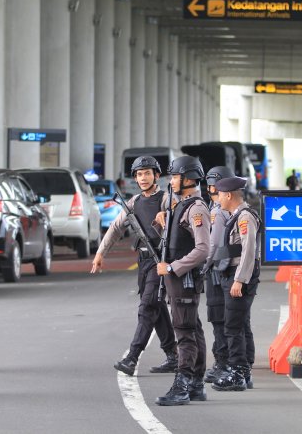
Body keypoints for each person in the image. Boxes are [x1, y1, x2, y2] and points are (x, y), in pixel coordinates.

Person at [91, 156, 178, 376]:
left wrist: (166, 217)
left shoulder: (167, 199)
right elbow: (116, 227)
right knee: (156, 308)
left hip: (162, 260)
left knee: (147, 307)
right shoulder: (133, 202)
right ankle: (173, 356)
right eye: (139, 174)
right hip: (144, 261)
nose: (143, 178)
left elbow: (178, 222)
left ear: (156, 176)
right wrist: (100, 253)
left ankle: (132, 357)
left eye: (147, 173)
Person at [155, 156, 211, 406]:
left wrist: (172, 267)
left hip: (183, 278)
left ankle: (183, 384)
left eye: (175, 176)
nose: (171, 181)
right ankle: (196, 383)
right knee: (193, 327)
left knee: (184, 332)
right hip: (179, 279)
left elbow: (203, 249)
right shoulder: (181, 205)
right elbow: (176, 242)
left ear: (188, 179)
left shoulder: (196, 208)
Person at [211, 176, 260, 392]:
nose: (218, 198)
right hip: (233, 273)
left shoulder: (244, 217)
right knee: (238, 323)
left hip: (240, 275)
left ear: (228, 195)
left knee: (232, 326)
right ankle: (243, 372)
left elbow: (249, 251)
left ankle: (238, 372)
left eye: (220, 194)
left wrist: (239, 280)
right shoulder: (236, 215)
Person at [201, 166, 235, 386]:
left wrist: (202, 265)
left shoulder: (217, 211)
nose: (210, 188)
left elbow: (214, 244)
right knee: (230, 319)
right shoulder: (227, 208)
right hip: (225, 269)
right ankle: (236, 362)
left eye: (214, 184)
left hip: (218, 270)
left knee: (219, 318)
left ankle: (223, 362)